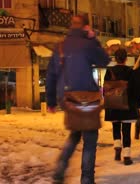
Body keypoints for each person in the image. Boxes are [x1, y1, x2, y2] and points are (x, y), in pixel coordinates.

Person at [46, 15, 110, 184]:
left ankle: (60, 169)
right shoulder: (88, 45)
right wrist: (94, 39)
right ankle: (87, 179)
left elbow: (51, 75)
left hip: (66, 97)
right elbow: (105, 60)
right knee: (89, 137)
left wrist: (51, 101)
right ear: (85, 27)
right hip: (86, 97)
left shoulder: (59, 46)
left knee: (75, 132)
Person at [104, 48, 140, 165]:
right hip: (127, 105)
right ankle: (126, 155)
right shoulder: (130, 72)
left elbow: (105, 88)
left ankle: (117, 145)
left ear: (115, 59)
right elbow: (135, 89)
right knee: (126, 130)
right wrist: (138, 104)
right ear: (126, 59)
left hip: (113, 104)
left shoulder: (109, 72)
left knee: (116, 126)